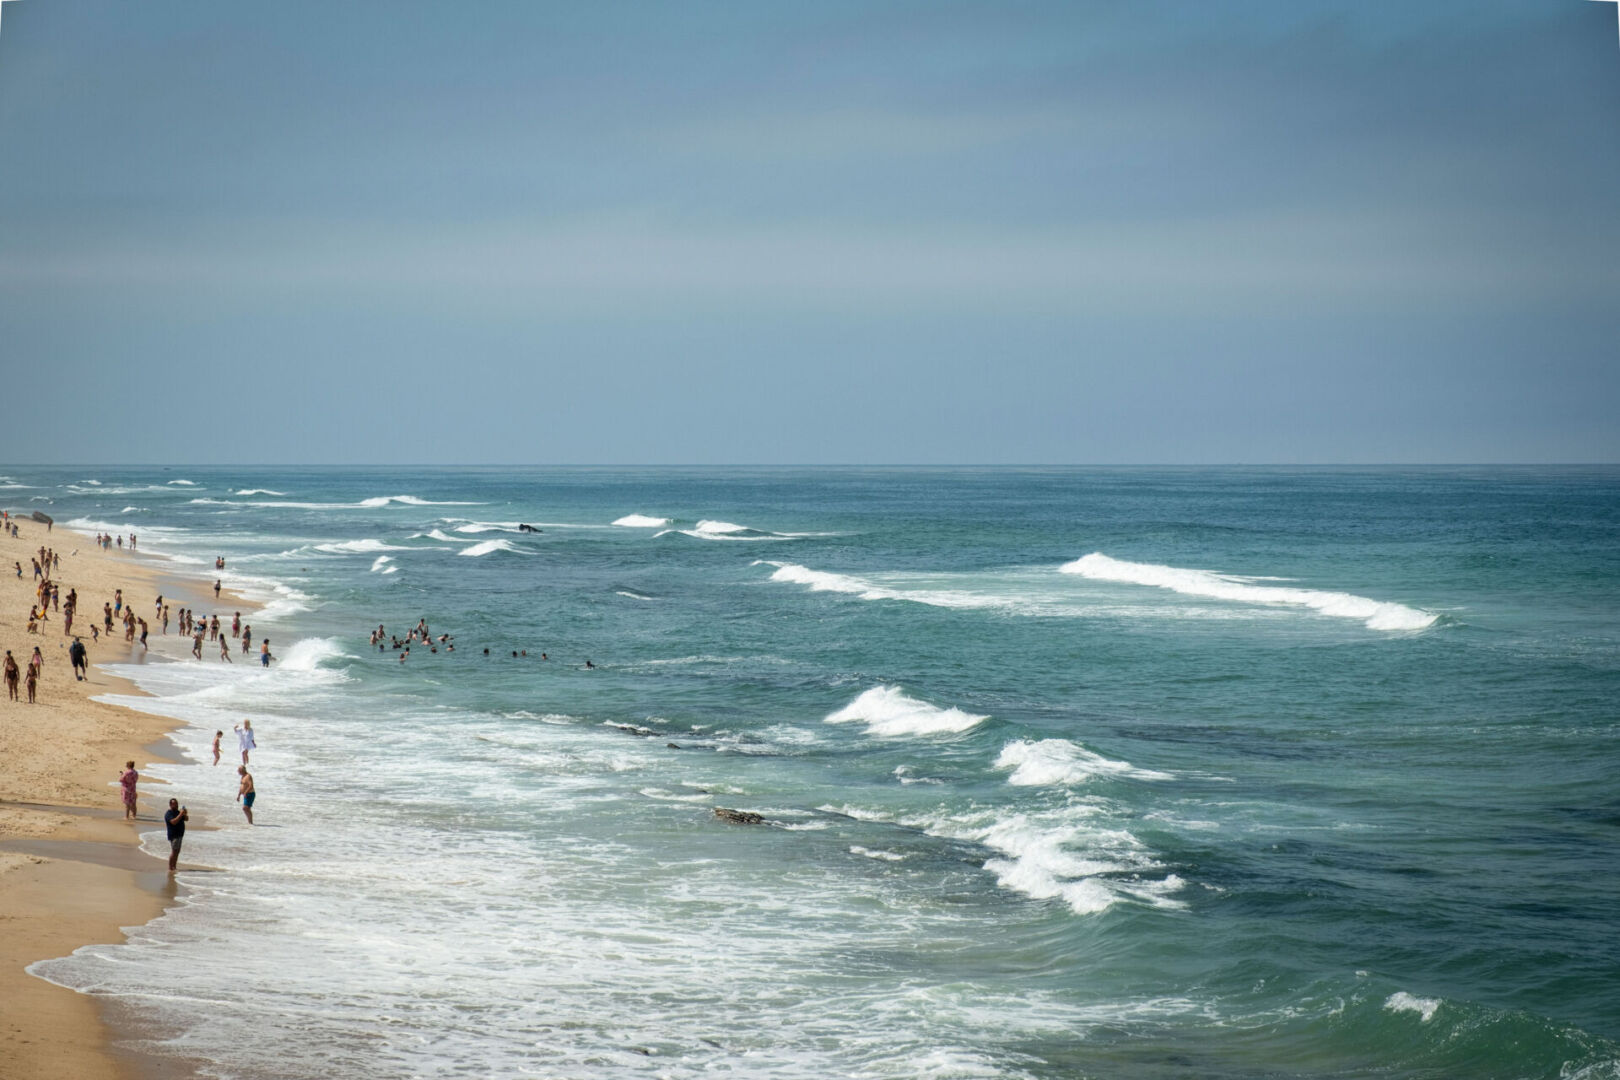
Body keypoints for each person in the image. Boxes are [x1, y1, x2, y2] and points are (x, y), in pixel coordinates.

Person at [164, 798, 188, 873]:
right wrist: (180, 814)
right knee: (174, 851)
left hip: (180, 834)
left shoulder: (178, 812)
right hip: (174, 835)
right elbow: (173, 822)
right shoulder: (169, 813)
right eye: (174, 804)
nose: (176, 805)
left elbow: (186, 819)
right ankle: (170, 867)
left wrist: (184, 813)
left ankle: (174, 866)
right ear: (170, 805)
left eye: (177, 803)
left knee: (177, 852)